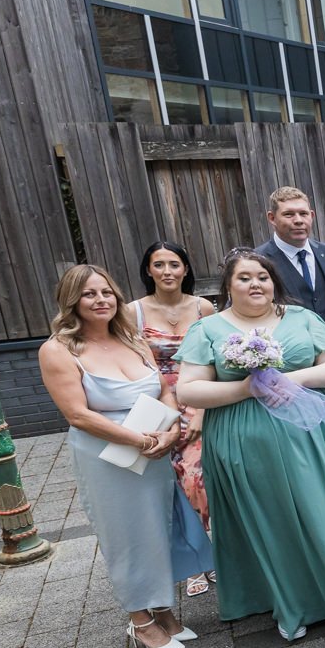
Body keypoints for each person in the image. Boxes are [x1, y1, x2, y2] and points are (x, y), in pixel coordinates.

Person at [175, 250, 325, 641]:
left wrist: (293, 380)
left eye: (263, 277)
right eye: (244, 278)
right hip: (243, 440)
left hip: (309, 436)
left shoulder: (302, 318)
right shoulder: (208, 330)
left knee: (321, 513)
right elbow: (188, 389)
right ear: (228, 286)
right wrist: (245, 387)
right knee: (270, 520)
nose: (255, 284)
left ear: (274, 283)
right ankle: (291, 603)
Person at [39, 265, 213, 648]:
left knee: (160, 527)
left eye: (106, 293)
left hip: (153, 446)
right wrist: (137, 439)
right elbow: (78, 415)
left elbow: (165, 391)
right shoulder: (58, 350)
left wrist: (170, 432)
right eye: (89, 295)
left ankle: (164, 609)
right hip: (108, 456)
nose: (100, 301)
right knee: (126, 534)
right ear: (72, 302)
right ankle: (139, 618)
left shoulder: (132, 339)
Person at [131, 240, 217, 596]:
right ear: (148, 270)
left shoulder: (204, 308)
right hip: (156, 406)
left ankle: (211, 553)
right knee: (171, 485)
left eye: (174, 264)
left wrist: (200, 411)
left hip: (200, 399)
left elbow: (216, 360)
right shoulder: (131, 312)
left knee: (201, 481)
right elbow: (132, 364)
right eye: (159, 265)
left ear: (185, 269)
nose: (167, 271)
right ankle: (191, 561)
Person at [254, 186, 325, 334]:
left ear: (311, 215)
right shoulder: (257, 261)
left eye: (303, 213)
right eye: (289, 214)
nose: (298, 220)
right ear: (272, 218)